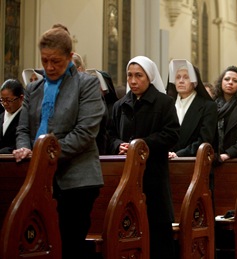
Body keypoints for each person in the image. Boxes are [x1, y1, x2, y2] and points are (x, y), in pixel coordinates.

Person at [13, 26, 105, 259]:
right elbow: (23, 128)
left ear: (69, 56)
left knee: (68, 246)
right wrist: (24, 146)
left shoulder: (87, 84)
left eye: (56, 61)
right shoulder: (34, 88)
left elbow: (85, 132)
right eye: (45, 61)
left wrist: (48, 155)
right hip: (39, 178)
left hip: (77, 180)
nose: (50, 67)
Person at [108, 56, 179, 258]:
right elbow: (109, 136)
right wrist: (118, 145)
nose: (133, 80)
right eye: (129, 75)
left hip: (153, 176)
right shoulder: (120, 105)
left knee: (157, 232)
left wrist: (141, 145)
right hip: (126, 178)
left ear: (149, 77)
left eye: (138, 75)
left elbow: (172, 134)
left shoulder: (164, 103)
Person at [167, 59, 217, 158]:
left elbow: (205, 140)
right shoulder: (168, 104)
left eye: (186, 77)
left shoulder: (208, 106)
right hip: (166, 160)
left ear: (194, 82)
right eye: (178, 77)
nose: (181, 81)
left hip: (193, 161)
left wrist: (178, 154)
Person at [0, 79, 24, 154]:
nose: (5, 104)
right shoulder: (1, 116)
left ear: (21, 98)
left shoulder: (25, 117)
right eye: (2, 100)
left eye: (9, 100)